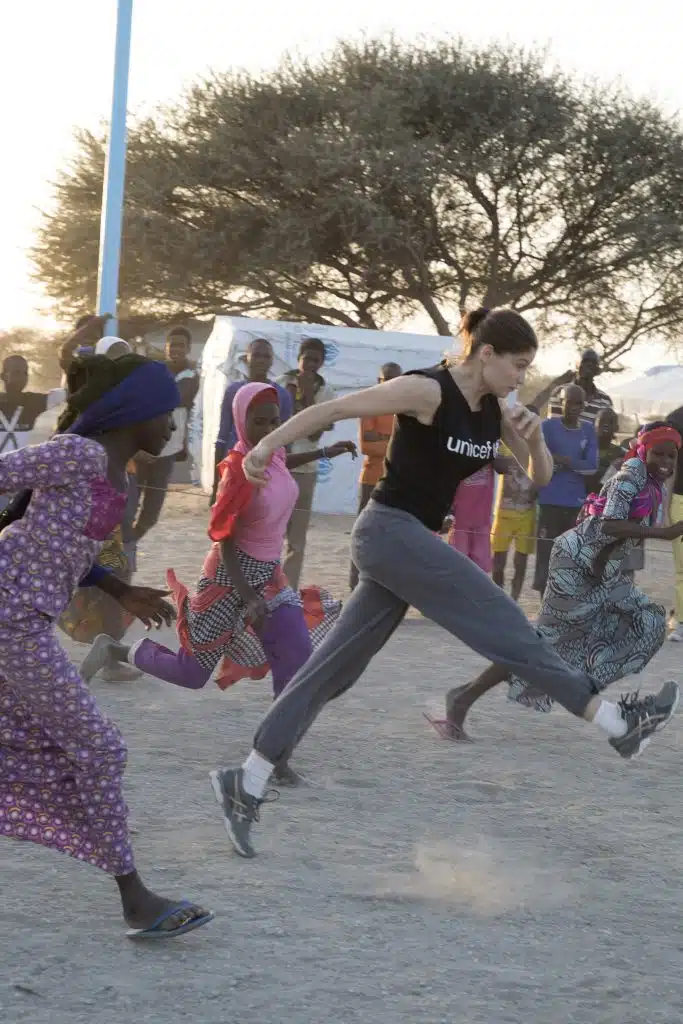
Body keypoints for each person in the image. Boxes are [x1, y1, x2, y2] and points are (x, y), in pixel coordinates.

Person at [202, 307, 678, 860]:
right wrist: (265, 447)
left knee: (334, 669)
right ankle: (616, 721)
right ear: (485, 354)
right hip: (387, 532)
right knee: (503, 622)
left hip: (409, 546)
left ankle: (249, 780)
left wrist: (535, 440)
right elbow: (336, 407)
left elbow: (542, 477)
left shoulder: (496, 409)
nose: (521, 377)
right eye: (517, 365)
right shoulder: (428, 390)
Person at [0, 353, 213, 939]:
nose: (172, 427)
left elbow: (72, 543)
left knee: (37, 742)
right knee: (100, 749)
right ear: (136, 411)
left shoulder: (113, 474)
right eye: (166, 414)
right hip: (11, 618)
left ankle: (135, 897)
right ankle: (136, 899)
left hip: (24, 619)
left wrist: (122, 590)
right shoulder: (82, 453)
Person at [80, 382, 356, 784]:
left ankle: (274, 757)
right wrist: (246, 596)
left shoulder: (273, 452)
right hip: (229, 580)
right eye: (258, 422)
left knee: (295, 655)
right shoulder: (238, 472)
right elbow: (222, 536)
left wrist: (326, 451)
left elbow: (283, 462)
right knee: (192, 674)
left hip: (271, 576)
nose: (268, 428)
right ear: (241, 422)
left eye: (274, 421)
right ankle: (116, 651)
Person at [442, 422, 682, 737]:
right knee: (544, 644)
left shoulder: (652, 483)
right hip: (576, 563)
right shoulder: (629, 478)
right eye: (658, 454)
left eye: (672, 457)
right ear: (643, 450)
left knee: (649, 623)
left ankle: (581, 686)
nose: (665, 462)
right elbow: (610, 525)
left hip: (602, 567)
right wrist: (661, 533)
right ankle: (464, 697)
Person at [59, 340, 141, 682]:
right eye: (114, 360)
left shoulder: (126, 407)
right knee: (109, 575)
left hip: (119, 492)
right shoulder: (92, 410)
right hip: (96, 502)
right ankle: (107, 656)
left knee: (116, 573)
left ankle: (106, 651)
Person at [132, 327, 199, 543]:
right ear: (166, 347)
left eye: (181, 345)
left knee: (152, 509)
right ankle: (123, 544)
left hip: (169, 448)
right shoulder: (155, 370)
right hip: (143, 446)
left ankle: (131, 540)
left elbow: (180, 398)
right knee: (130, 500)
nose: (176, 348)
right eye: (173, 344)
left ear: (188, 348)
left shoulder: (190, 375)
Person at [279, 338, 336, 589]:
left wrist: (309, 394)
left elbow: (313, 433)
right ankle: (264, 584)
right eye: (307, 359)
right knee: (269, 530)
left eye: (316, 360)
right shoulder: (282, 383)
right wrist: (294, 392)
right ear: (299, 358)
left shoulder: (326, 393)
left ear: (322, 362)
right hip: (278, 466)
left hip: (306, 470)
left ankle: (287, 589)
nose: (311, 364)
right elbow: (279, 424)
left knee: (297, 538)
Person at [532, 384, 598, 594]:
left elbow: (592, 467)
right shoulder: (547, 427)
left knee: (570, 555)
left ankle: (563, 599)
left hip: (575, 503)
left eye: (579, 403)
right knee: (546, 553)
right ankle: (544, 599)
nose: (574, 407)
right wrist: (557, 461)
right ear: (561, 402)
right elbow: (539, 460)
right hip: (549, 500)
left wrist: (566, 461)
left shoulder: (588, 430)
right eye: (570, 401)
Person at [212, 338, 293, 503]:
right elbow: (222, 435)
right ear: (246, 358)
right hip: (235, 465)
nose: (261, 360)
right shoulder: (233, 391)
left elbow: (285, 439)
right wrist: (216, 485)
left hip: (267, 467)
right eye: (256, 355)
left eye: (266, 356)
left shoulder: (281, 395)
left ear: (271, 362)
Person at [350, 361, 402, 589]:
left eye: (395, 379)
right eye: (386, 379)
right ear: (379, 381)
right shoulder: (369, 406)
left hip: (395, 481)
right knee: (363, 536)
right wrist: (393, 442)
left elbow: (405, 445)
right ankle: (355, 586)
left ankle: (379, 587)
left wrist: (381, 439)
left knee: (389, 538)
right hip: (371, 479)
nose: (390, 384)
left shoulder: (404, 408)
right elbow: (366, 445)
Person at [490, 434, 538, 601]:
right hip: (503, 513)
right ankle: (498, 599)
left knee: (520, 561)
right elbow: (497, 466)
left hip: (527, 514)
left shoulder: (537, 448)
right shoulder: (504, 445)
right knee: (498, 563)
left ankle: (514, 600)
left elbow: (541, 481)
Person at [533, 348, 613, 426]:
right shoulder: (560, 392)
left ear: (597, 370)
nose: (589, 365)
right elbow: (555, 426)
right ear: (577, 366)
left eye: (593, 363)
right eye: (585, 361)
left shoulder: (605, 401)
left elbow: (603, 429)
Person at [445, 463, 496, 573]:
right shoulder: (459, 449)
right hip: (459, 521)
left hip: (482, 520)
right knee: (458, 567)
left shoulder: (491, 449)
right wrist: (448, 511)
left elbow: (503, 468)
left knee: (480, 571)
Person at [665, 403, 683, 641]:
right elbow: (671, 467)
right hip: (681, 500)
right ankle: (680, 620)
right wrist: (664, 504)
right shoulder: (677, 420)